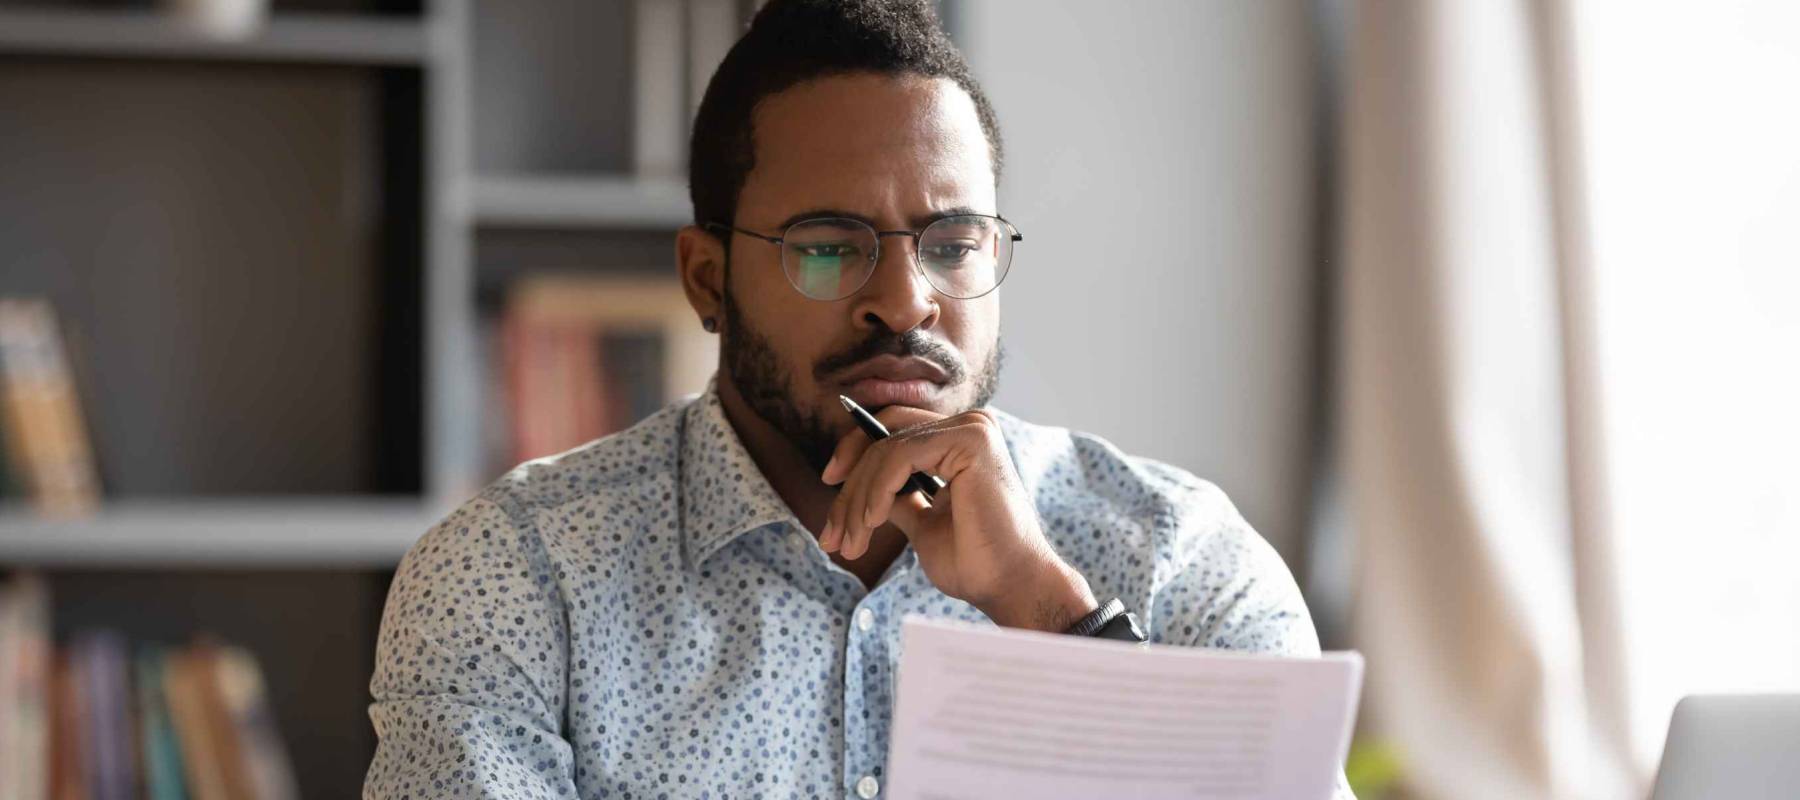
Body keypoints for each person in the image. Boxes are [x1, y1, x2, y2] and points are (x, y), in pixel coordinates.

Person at [365, 1, 1348, 798]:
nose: (906, 300)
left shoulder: (1174, 556)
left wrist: (1048, 612)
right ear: (708, 280)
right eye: (829, 244)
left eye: (954, 243)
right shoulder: (520, 580)